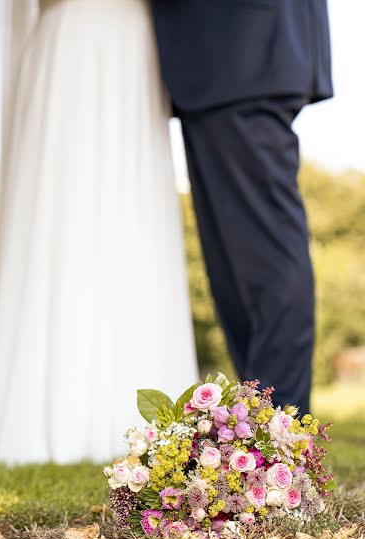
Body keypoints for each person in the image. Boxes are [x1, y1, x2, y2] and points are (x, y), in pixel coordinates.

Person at [0, 0, 198, 464]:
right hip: (70, 44)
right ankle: (43, 415)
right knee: (62, 212)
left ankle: (142, 414)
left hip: (135, 47)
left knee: (135, 225)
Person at [153, 0, 333, 415]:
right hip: (225, 61)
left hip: (244, 51)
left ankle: (279, 426)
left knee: (266, 255)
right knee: (232, 270)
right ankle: (259, 422)